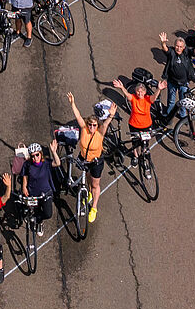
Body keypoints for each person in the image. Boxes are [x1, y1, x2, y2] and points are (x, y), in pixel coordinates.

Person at [66, 91, 109, 224]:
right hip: (85, 160)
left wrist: (111, 115)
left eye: (94, 125)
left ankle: (94, 207)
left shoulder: (100, 133)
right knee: (88, 179)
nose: (91, 127)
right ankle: (89, 192)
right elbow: (78, 115)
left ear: (97, 126)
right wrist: (73, 103)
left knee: (95, 184)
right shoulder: (84, 129)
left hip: (96, 161)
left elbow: (106, 123)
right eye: (90, 124)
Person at [110, 76, 160, 161]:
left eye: (141, 92)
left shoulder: (148, 99)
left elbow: (154, 97)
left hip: (146, 125)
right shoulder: (133, 98)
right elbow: (127, 94)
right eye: (138, 91)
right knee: (135, 143)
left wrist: (159, 89)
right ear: (136, 92)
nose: (140, 93)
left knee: (145, 143)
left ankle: (143, 153)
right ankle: (135, 156)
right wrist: (122, 87)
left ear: (145, 92)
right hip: (134, 125)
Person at [15, 140, 59, 230]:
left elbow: (57, 163)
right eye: (33, 156)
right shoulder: (27, 164)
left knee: (48, 214)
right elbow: (25, 176)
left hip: (45, 193)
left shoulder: (46, 163)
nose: (35, 158)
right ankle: (36, 220)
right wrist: (24, 187)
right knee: (35, 210)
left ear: (40, 154)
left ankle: (38, 220)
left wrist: (54, 152)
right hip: (33, 193)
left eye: (37, 155)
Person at [157, 32, 195, 119]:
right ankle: (169, 115)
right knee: (171, 100)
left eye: (180, 47)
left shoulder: (186, 53)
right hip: (172, 82)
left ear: (184, 47)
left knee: (183, 101)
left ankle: (183, 116)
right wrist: (163, 42)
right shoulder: (172, 53)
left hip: (183, 83)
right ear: (174, 46)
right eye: (177, 46)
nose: (178, 48)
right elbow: (165, 49)